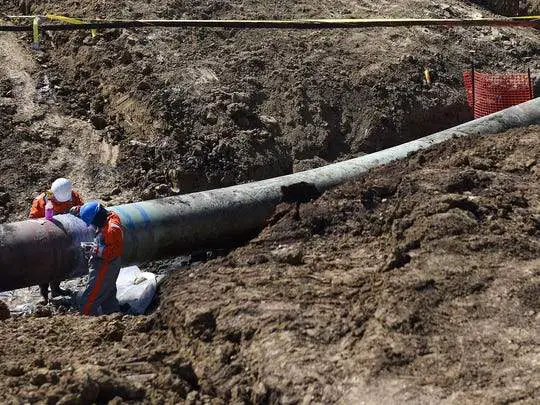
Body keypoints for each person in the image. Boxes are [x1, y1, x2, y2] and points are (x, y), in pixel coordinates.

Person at [29, 178, 84, 304]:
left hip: (66, 236)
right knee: (45, 266)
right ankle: (44, 293)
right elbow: (31, 221)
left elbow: (81, 208)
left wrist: (78, 210)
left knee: (61, 263)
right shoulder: (41, 201)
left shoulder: (72, 196)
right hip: (46, 239)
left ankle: (56, 289)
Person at [75, 201, 124, 316]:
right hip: (108, 265)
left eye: (93, 222)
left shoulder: (112, 229)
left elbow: (114, 252)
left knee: (90, 298)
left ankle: (86, 320)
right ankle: (113, 316)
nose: (93, 225)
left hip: (106, 266)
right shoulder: (108, 216)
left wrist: (96, 250)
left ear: (97, 218)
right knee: (108, 294)